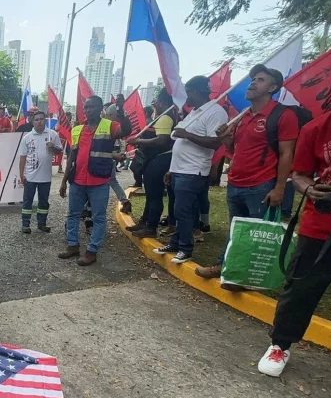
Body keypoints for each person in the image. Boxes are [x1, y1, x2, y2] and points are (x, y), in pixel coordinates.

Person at [195, 65, 299, 288]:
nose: (252, 83)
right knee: (238, 231)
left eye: (260, 80)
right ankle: (228, 269)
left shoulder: (282, 115)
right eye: (253, 79)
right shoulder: (245, 116)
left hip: (261, 186)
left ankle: (241, 275)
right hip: (236, 183)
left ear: (272, 87)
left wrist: (280, 188)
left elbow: (286, 153)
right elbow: (237, 148)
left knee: (256, 233)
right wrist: (225, 139)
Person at [258, 107, 331, 377]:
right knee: (300, 290)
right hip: (322, 226)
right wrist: (311, 190)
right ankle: (280, 345)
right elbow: (299, 174)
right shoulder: (317, 128)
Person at [153, 76, 228, 264]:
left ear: (195, 92)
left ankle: (185, 248)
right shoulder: (194, 112)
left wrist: (186, 134)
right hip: (179, 170)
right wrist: (171, 169)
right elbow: (179, 141)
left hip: (193, 171)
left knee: (183, 210)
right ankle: (176, 243)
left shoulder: (215, 112)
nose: (184, 96)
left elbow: (214, 142)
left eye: (187, 91)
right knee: (179, 210)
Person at [58, 95, 131, 266]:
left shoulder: (110, 126)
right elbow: (71, 158)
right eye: (86, 107)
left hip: (98, 181)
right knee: (73, 215)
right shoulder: (77, 130)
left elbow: (126, 131)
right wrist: (64, 181)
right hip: (77, 180)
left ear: (100, 109)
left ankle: (92, 251)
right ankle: (72, 245)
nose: (88, 110)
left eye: (92, 107)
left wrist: (121, 111)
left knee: (98, 217)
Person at [125, 89, 176, 238]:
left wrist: (138, 141)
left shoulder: (166, 118)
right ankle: (145, 221)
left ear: (163, 102)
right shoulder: (161, 116)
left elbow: (162, 140)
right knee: (151, 194)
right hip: (154, 159)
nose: (153, 102)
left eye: (156, 99)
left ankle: (151, 227)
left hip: (160, 160)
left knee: (155, 195)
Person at [20, 110, 62, 233]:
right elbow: (22, 157)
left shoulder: (52, 135)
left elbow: (59, 150)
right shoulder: (27, 138)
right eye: (36, 119)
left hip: (45, 177)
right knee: (27, 202)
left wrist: (52, 147)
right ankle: (25, 224)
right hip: (30, 176)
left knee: (44, 202)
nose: (39, 122)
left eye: (41, 119)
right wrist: (21, 174)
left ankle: (42, 223)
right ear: (32, 122)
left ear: (45, 120)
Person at [103, 103, 133, 215]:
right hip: (111, 157)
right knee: (112, 181)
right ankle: (125, 201)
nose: (105, 116)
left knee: (100, 184)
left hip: (105, 159)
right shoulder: (115, 126)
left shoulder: (112, 126)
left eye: (107, 114)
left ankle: (89, 209)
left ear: (112, 114)